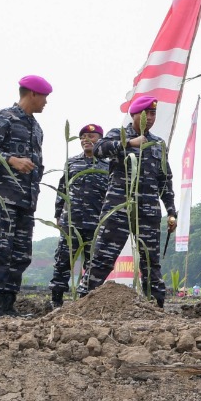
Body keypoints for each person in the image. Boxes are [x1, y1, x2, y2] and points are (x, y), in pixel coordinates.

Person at [80, 96, 177, 306]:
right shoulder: (119, 134)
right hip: (119, 206)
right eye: (146, 114)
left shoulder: (158, 144)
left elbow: (165, 179)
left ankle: (156, 304)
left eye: (153, 114)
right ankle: (84, 300)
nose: (150, 118)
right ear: (135, 115)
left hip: (148, 209)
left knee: (151, 260)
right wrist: (129, 143)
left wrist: (171, 210)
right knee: (103, 256)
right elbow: (99, 150)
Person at [0, 75, 50, 318]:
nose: (46, 103)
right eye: (44, 97)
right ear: (32, 94)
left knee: (21, 254)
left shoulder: (36, 128)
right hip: (1, 197)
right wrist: (11, 160)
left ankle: (7, 306)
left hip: (26, 200)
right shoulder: (3, 117)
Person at [47, 124, 109, 308]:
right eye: (82, 137)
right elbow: (62, 189)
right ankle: (56, 300)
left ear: (100, 139)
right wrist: (58, 214)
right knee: (63, 260)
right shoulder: (72, 163)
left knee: (92, 263)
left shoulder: (109, 165)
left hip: (96, 222)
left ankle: (85, 301)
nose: (85, 140)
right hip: (71, 222)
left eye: (91, 136)